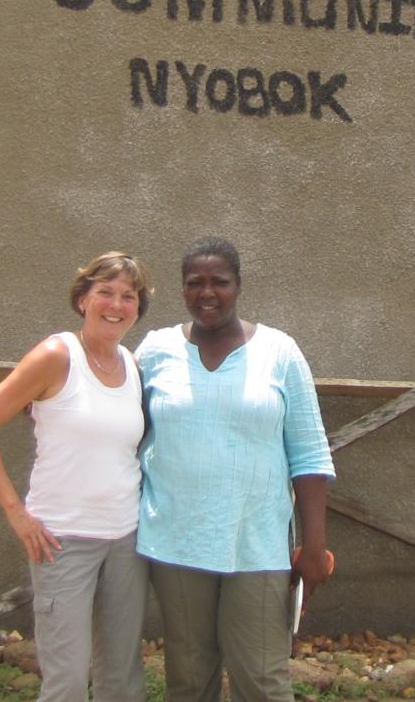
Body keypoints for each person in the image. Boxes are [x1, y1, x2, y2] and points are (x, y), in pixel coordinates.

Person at [135, 237, 336, 702]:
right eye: (194, 283)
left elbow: (308, 454)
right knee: (188, 679)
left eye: (219, 282)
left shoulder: (279, 352)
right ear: (182, 289)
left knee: (262, 679)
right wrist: (52, 400)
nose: (207, 293)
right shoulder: (155, 350)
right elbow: (115, 412)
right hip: (175, 542)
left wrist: (314, 545)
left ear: (239, 285)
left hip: (257, 544)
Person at [0, 252, 153, 702]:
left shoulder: (132, 365)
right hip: (62, 541)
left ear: (138, 308)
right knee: (66, 680)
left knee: (121, 679)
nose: (116, 304)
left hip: (126, 541)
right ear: (83, 298)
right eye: (105, 292)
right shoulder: (56, 355)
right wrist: (16, 513)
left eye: (128, 296)